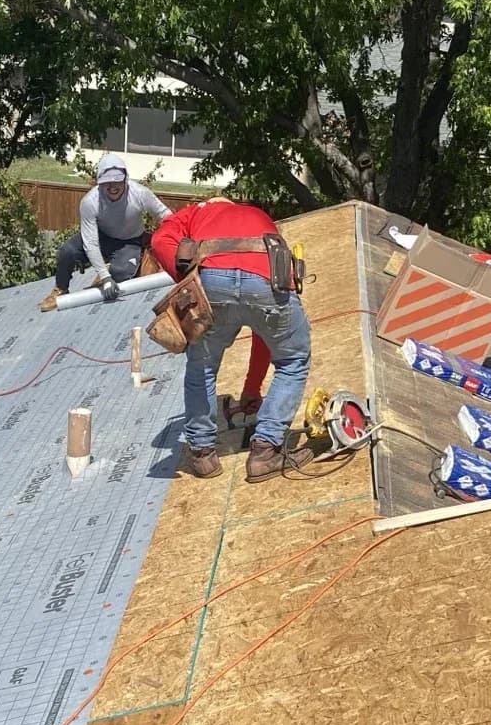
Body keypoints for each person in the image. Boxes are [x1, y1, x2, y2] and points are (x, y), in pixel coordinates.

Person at [150, 198, 312, 482]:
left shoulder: (196, 211)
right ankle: (265, 452)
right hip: (266, 280)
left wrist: (188, 284)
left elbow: (160, 240)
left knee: (201, 366)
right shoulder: (259, 216)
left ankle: (203, 455)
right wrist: (252, 386)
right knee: (292, 360)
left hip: (212, 281)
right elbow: (265, 335)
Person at [40, 153, 170, 311]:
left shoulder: (140, 194)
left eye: (117, 181)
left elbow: (165, 215)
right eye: (107, 182)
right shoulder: (90, 202)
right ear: (99, 182)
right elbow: (90, 243)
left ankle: (109, 276)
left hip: (130, 241)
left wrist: (173, 241)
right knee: (67, 251)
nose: (113, 187)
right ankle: (60, 289)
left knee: (121, 272)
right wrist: (105, 276)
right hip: (102, 238)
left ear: (126, 179)